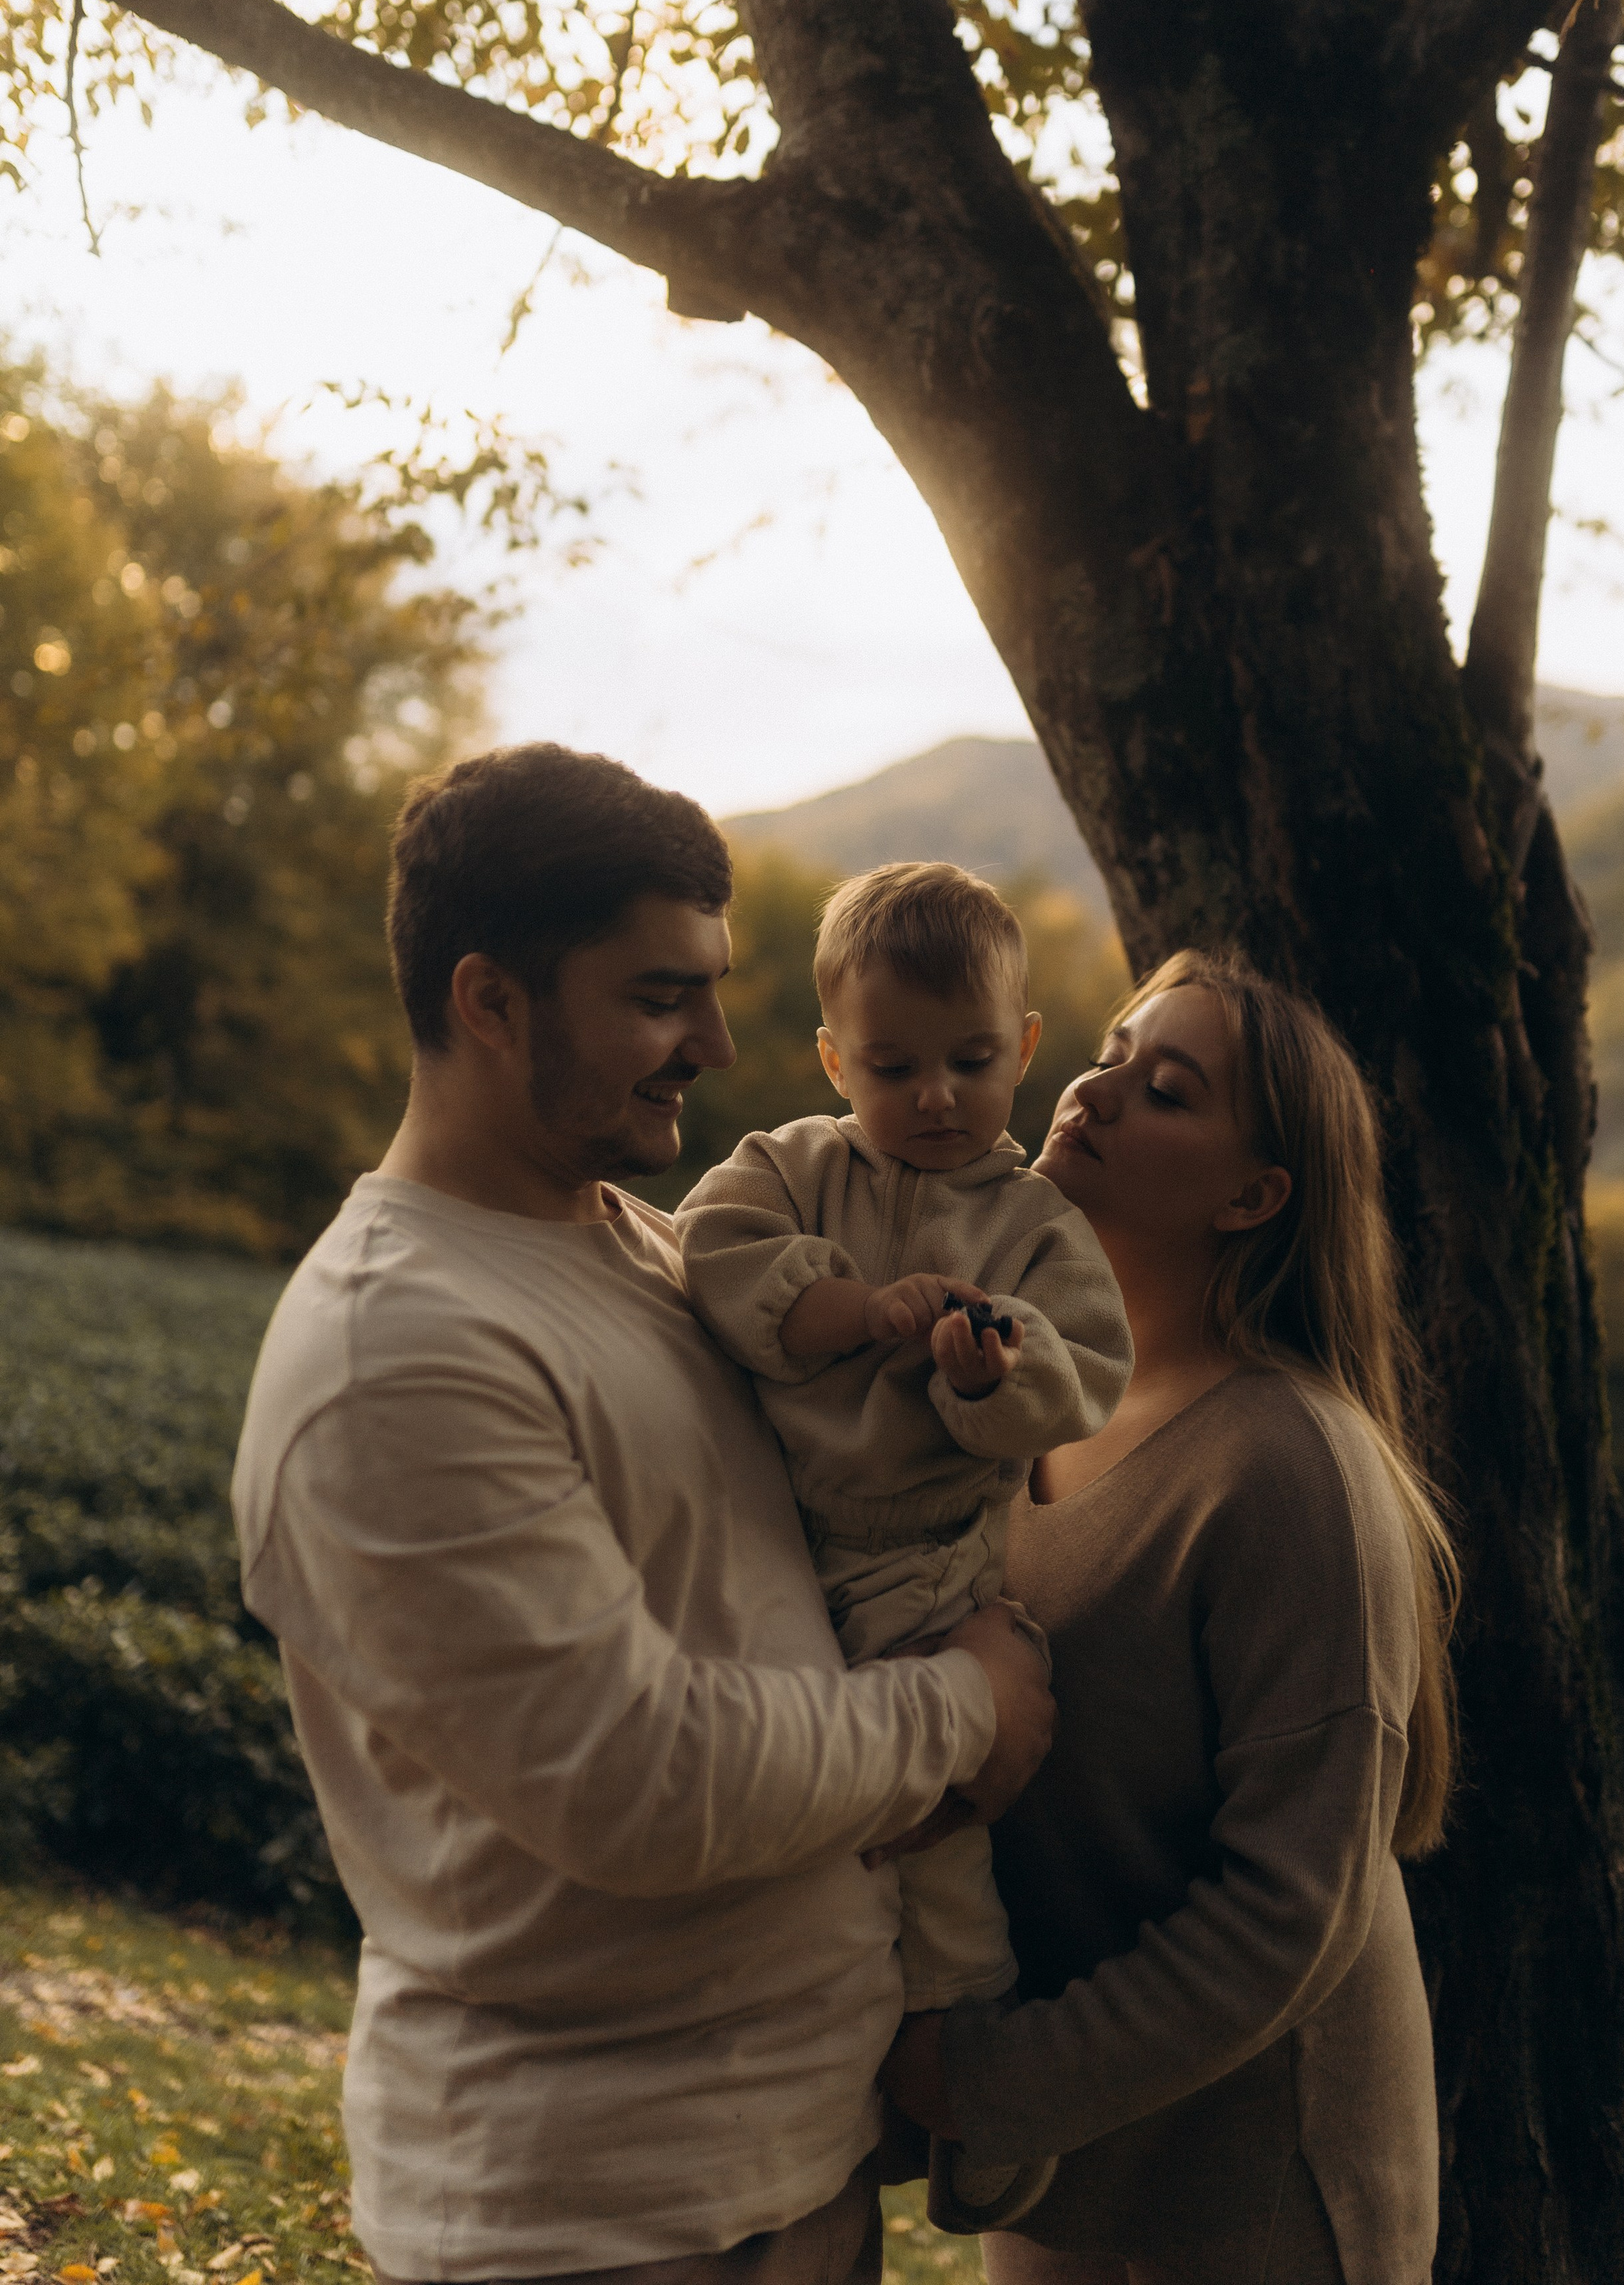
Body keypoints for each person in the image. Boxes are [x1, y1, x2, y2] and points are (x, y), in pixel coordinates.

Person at [230, 746, 1055, 2285]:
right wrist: (963, 1710)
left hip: (786, 2166)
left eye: (716, 989)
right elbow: (637, 1779)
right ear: (489, 1001)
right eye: (660, 996)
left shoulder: (654, 1249)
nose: (717, 1044)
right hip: (587, 2217)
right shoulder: (393, 1352)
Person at [881, 948, 1457, 2285]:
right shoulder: (1024, 1408)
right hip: (1067, 2175)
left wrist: (989, 2078)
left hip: (1255, 2202)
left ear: (1256, 1196)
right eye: (1112, 1051)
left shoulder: (1289, 1468)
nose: (1090, 1092)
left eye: (1167, 1089)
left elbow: (1288, 1914)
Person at [675, 863, 1133, 2234]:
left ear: (1026, 1050)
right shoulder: (795, 1166)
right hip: (773, 1545)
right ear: (833, 1058)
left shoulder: (1038, 1226)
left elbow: (1083, 1376)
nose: (936, 1095)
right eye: (894, 1066)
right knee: (780, 1823)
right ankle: (802, 2074)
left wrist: (988, 1373)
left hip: (931, 1565)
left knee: (933, 1849)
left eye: (972, 1061)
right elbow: (715, 1249)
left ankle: (966, 2069)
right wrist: (851, 1307)